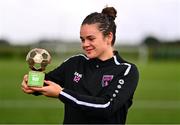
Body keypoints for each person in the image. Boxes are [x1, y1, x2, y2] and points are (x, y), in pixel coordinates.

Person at [21, 6, 139, 124]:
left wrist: (62, 93)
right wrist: (32, 81)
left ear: (109, 37)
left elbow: (106, 107)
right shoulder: (75, 63)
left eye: (91, 39)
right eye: (82, 39)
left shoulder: (126, 70)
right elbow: (47, 83)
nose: (85, 44)